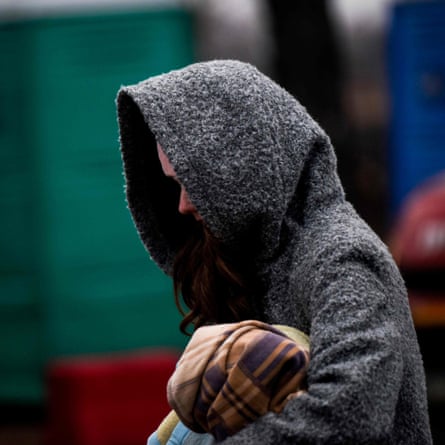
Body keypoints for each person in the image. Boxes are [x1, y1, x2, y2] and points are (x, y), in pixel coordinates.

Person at [116, 60, 432, 444]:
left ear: (239, 168)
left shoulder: (342, 257)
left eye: (191, 183)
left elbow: (353, 410)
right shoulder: (252, 257)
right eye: (174, 185)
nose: (182, 205)